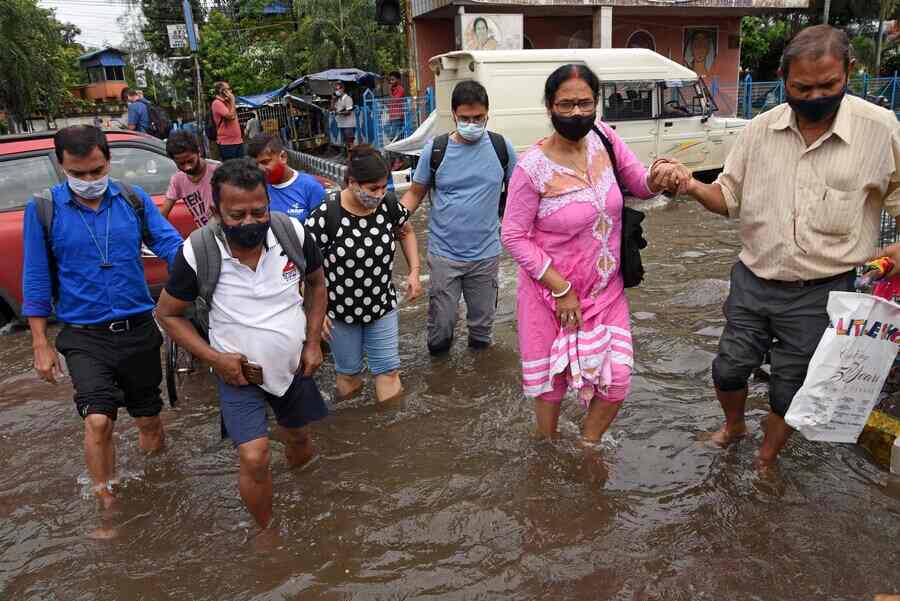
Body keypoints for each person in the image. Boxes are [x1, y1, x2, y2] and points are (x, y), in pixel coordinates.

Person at [669, 25, 900, 466]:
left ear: (849, 72)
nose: (815, 96)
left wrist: (892, 259)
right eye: (801, 87)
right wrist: (691, 186)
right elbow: (728, 198)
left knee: (791, 385)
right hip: (753, 278)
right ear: (783, 78)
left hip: (825, 289)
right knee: (728, 368)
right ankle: (733, 425)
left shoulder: (881, 131)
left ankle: (767, 457)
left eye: (828, 85)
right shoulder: (759, 130)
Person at [501, 64, 679, 442]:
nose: (577, 113)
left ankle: (588, 445)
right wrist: (561, 289)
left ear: (597, 103)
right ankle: (547, 449)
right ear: (549, 106)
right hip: (551, 297)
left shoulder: (606, 139)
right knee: (552, 388)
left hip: (605, 292)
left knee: (616, 382)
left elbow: (639, 184)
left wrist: (659, 178)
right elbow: (513, 235)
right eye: (566, 105)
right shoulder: (531, 169)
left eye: (585, 103)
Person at [155, 158, 329, 530]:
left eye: (259, 210)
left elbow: (317, 284)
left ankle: (303, 496)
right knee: (254, 456)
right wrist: (215, 359)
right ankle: (266, 533)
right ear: (216, 211)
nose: (250, 221)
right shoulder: (197, 252)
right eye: (237, 215)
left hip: (293, 364)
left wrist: (313, 343)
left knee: (299, 438)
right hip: (238, 375)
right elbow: (167, 314)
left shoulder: (292, 234)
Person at [22, 125, 183, 512]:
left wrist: (201, 277)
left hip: (139, 328)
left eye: (96, 171)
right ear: (62, 167)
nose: (90, 180)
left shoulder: (132, 198)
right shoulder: (43, 208)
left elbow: (170, 245)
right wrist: (40, 343)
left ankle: (158, 490)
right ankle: (106, 506)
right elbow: (36, 277)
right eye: (78, 174)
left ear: (108, 160)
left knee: (149, 421)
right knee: (97, 421)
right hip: (84, 335)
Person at [401, 80, 516, 354]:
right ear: (454, 115)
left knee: (481, 332)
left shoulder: (502, 148)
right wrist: (389, 220)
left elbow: (521, 195)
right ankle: (439, 382)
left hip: (486, 256)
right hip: (444, 256)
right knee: (441, 328)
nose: (472, 123)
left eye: (478, 118)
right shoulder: (436, 149)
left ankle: (477, 382)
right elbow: (415, 193)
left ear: (487, 113)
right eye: (465, 118)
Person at [305, 145, 422, 403]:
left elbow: (406, 232)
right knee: (349, 375)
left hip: (381, 306)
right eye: (372, 189)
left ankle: (390, 432)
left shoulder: (388, 204)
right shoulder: (327, 214)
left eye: (383, 188)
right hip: (339, 312)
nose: (379, 195)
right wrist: (316, 310)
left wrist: (414, 272)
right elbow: (305, 266)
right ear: (352, 183)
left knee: (389, 371)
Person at [247, 133, 326, 222]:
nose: (261, 169)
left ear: (283, 157)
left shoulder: (311, 187)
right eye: (257, 164)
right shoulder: (258, 188)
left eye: (265, 162)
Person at [163, 130, 218, 227]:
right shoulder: (177, 180)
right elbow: (162, 215)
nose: (187, 167)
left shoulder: (218, 171)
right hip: (207, 235)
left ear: (199, 151)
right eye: (181, 164)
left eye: (190, 161)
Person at [212, 81, 244, 160]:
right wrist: (233, 100)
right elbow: (231, 116)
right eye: (228, 89)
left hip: (238, 141)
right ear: (222, 91)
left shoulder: (227, 102)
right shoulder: (217, 103)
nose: (231, 91)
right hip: (227, 144)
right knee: (232, 170)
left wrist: (230, 101)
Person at [332, 82, 355, 154]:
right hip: (342, 124)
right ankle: (349, 158)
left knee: (350, 143)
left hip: (349, 125)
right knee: (346, 143)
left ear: (343, 89)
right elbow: (333, 109)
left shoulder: (348, 99)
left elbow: (349, 112)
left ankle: (352, 158)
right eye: (335, 89)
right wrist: (332, 100)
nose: (337, 91)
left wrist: (339, 113)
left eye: (338, 89)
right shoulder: (338, 100)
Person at [386, 71, 406, 142]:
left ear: (398, 80)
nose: (391, 82)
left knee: (393, 134)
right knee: (386, 128)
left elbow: (395, 100)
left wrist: (389, 91)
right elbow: (391, 101)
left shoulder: (400, 89)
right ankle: (396, 142)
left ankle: (395, 145)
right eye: (390, 80)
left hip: (398, 115)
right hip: (392, 115)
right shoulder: (392, 90)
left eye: (393, 80)